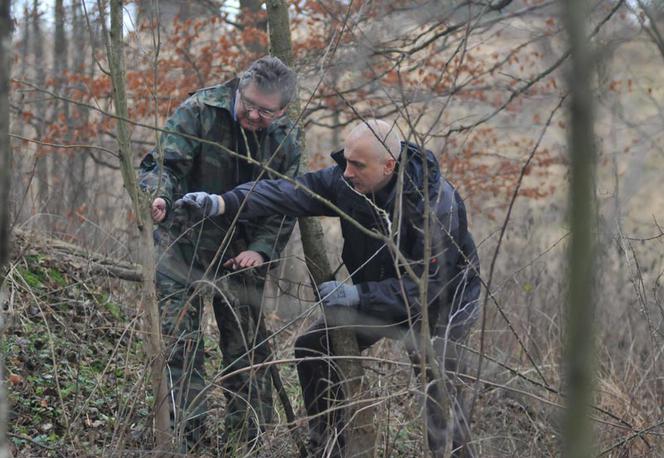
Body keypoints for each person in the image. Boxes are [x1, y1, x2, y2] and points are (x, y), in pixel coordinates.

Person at [174, 119, 481, 457]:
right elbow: (288, 191)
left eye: (357, 165)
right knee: (314, 347)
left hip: (443, 306)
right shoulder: (348, 182)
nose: (346, 172)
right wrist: (222, 203)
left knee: (439, 392)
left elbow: (427, 288)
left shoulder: (436, 205)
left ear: (388, 166)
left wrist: (358, 296)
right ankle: (328, 446)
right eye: (346, 160)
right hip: (377, 292)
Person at [138, 55, 301, 453]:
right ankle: (184, 439)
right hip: (183, 246)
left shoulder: (285, 140)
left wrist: (262, 251)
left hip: (241, 257)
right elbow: (163, 165)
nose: (254, 114)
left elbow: (284, 204)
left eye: (266, 111)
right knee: (181, 345)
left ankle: (248, 441)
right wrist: (158, 196)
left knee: (246, 351)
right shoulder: (199, 111)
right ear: (239, 88)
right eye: (248, 103)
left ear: (282, 110)